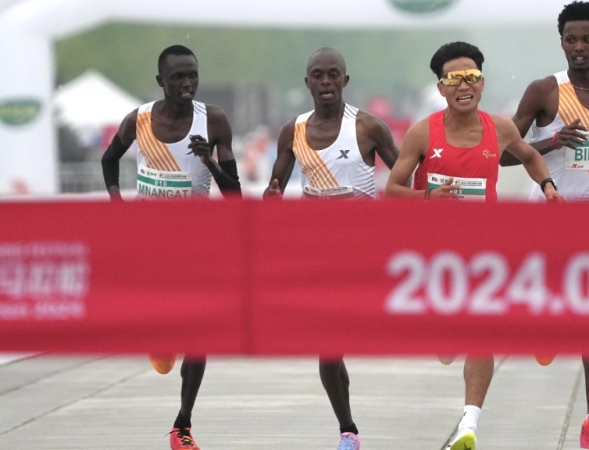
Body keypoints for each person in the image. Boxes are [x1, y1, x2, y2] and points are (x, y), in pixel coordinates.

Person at [385, 41, 563, 450]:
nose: (463, 86)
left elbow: (529, 156)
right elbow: (393, 188)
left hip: (484, 250)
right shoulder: (422, 133)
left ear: (482, 83)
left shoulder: (499, 129)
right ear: (442, 88)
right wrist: (428, 198)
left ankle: (469, 425)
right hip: (435, 257)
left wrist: (548, 185)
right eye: (454, 80)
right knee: (447, 347)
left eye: (471, 77)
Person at [500, 2, 589, 449]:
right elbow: (502, 154)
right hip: (553, 212)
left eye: (587, 39)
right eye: (571, 40)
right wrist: (550, 141)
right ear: (561, 43)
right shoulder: (545, 91)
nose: (579, 47)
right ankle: (545, 322)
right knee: (556, 297)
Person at [101, 44, 241, 450]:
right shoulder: (140, 119)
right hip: (150, 247)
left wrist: (209, 161)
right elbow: (109, 160)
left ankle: (182, 426)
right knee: (163, 349)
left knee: (199, 335)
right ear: (161, 80)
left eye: (192, 75)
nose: (187, 83)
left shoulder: (213, 120)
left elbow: (235, 196)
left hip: (198, 247)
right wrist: (117, 204)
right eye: (178, 76)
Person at [263, 47, 400, 450]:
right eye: (318, 75)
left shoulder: (368, 127)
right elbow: (275, 187)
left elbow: (405, 177)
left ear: (345, 80)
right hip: (318, 255)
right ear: (307, 82)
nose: (326, 82)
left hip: (365, 253)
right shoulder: (292, 131)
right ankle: (348, 431)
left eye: (333, 74)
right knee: (327, 348)